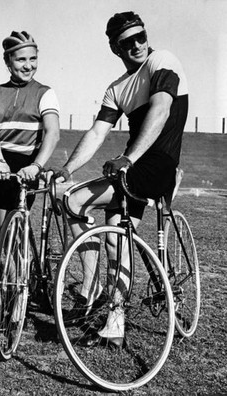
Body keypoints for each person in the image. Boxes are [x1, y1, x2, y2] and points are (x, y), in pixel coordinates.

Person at [58, 11, 188, 346]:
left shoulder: (162, 60)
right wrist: (68, 168)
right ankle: (114, 325)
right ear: (116, 49)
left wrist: (128, 157)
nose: (136, 45)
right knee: (116, 240)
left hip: (156, 164)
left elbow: (160, 111)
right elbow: (97, 133)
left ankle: (91, 288)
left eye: (140, 37)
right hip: (133, 169)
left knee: (73, 200)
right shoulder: (117, 89)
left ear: (147, 35)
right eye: (126, 43)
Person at [0, 31, 60, 254]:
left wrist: (37, 166)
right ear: (7, 61)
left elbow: (53, 133)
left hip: (26, 166)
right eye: (21, 59)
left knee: (10, 236)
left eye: (33, 59)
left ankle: (16, 286)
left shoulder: (45, 93)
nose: (28, 65)